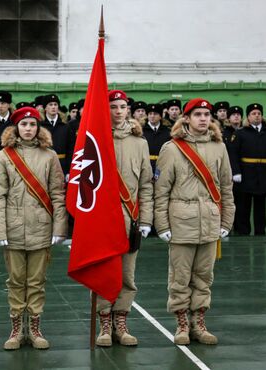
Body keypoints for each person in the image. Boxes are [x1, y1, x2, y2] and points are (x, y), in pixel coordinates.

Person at [154, 98, 235, 346]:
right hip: (180, 222)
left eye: (207, 115)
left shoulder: (219, 147)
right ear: (186, 118)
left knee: (203, 278)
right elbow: (161, 190)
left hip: (210, 221)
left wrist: (227, 220)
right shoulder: (172, 148)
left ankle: (198, 324)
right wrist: (163, 225)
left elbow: (226, 186)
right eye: (198, 114)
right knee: (180, 278)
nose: (203, 119)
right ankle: (181, 324)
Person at [0, 106, 67, 350]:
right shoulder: (2, 156)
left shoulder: (50, 156)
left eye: (33, 125)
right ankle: (16, 329)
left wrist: (59, 228)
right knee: (15, 281)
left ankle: (34, 328)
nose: (28, 129)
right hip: (12, 229)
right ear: (15, 128)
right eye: (24, 125)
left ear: (38, 128)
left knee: (36, 281)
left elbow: (57, 194)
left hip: (42, 228)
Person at [95, 90, 153, 347]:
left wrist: (146, 220)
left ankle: (121, 321)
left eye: (122, 106)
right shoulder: (95, 140)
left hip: (131, 218)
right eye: (113, 107)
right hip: (103, 220)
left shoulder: (140, 143)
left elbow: (146, 184)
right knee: (105, 272)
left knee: (128, 275)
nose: (118, 111)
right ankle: (104, 322)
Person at [230, 103, 266, 235]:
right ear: (248, 117)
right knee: (244, 204)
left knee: (261, 204)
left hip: (263, 171)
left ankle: (260, 230)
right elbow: (233, 154)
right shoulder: (240, 133)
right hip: (246, 171)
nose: (257, 116)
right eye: (253, 113)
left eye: (259, 113)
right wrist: (236, 172)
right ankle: (243, 230)